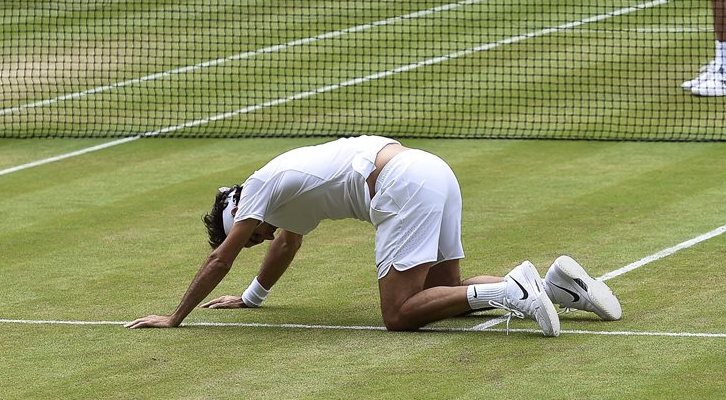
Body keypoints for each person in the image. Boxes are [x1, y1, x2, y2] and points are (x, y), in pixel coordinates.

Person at [125, 136, 622, 335]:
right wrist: (253, 299)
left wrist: (175, 317)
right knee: (439, 294)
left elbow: (220, 262)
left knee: (399, 314)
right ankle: (560, 288)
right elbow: (288, 243)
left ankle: (511, 289)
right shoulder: (281, 194)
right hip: (432, 170)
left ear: (237, 212)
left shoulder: (258, 189)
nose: (260, 236)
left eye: (249, 234)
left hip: (401, 185)